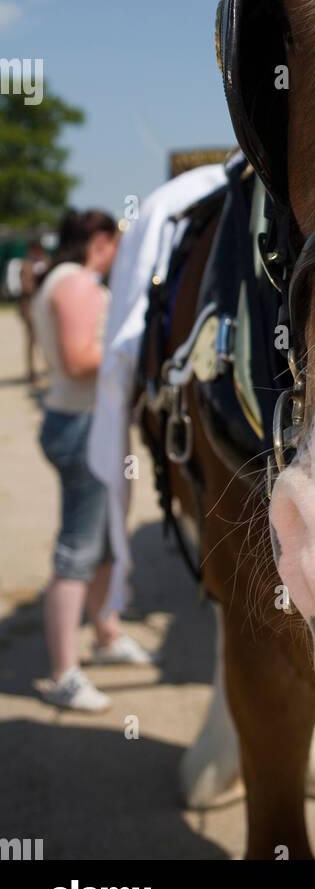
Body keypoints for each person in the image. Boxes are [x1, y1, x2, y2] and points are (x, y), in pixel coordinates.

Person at [31, 209, 152, 712]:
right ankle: (64, 672)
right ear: (101, 240)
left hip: (84, 423)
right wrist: (135, 352)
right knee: (79, 548)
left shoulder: (63, 279)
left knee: (103, 540)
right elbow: (80, 359)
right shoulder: (77, 283)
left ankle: (104, 634)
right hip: (81, 425)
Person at [17, 240, 48, 384]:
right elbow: (25, 286)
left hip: (45, 306)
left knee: (46, 338)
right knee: (31, 340)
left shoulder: (46, 262)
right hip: (30, 306)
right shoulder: (26, 265)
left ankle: (49, 368)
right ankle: (31, 371)